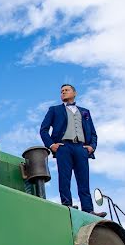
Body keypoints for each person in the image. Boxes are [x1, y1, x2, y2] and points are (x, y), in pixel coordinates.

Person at [39, 84, 105, 217]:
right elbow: (44, 130)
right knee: (64, 177)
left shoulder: (85, 111)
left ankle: (88, 209)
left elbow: (93, 133)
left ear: (74, 93)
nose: (63, 92)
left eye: (66, 90)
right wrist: (51, 145)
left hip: (81, 148)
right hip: (63, 147)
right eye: (61, 91)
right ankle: (67, 204)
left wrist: (92, 146)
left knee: (83, 179)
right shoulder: (54, 110)